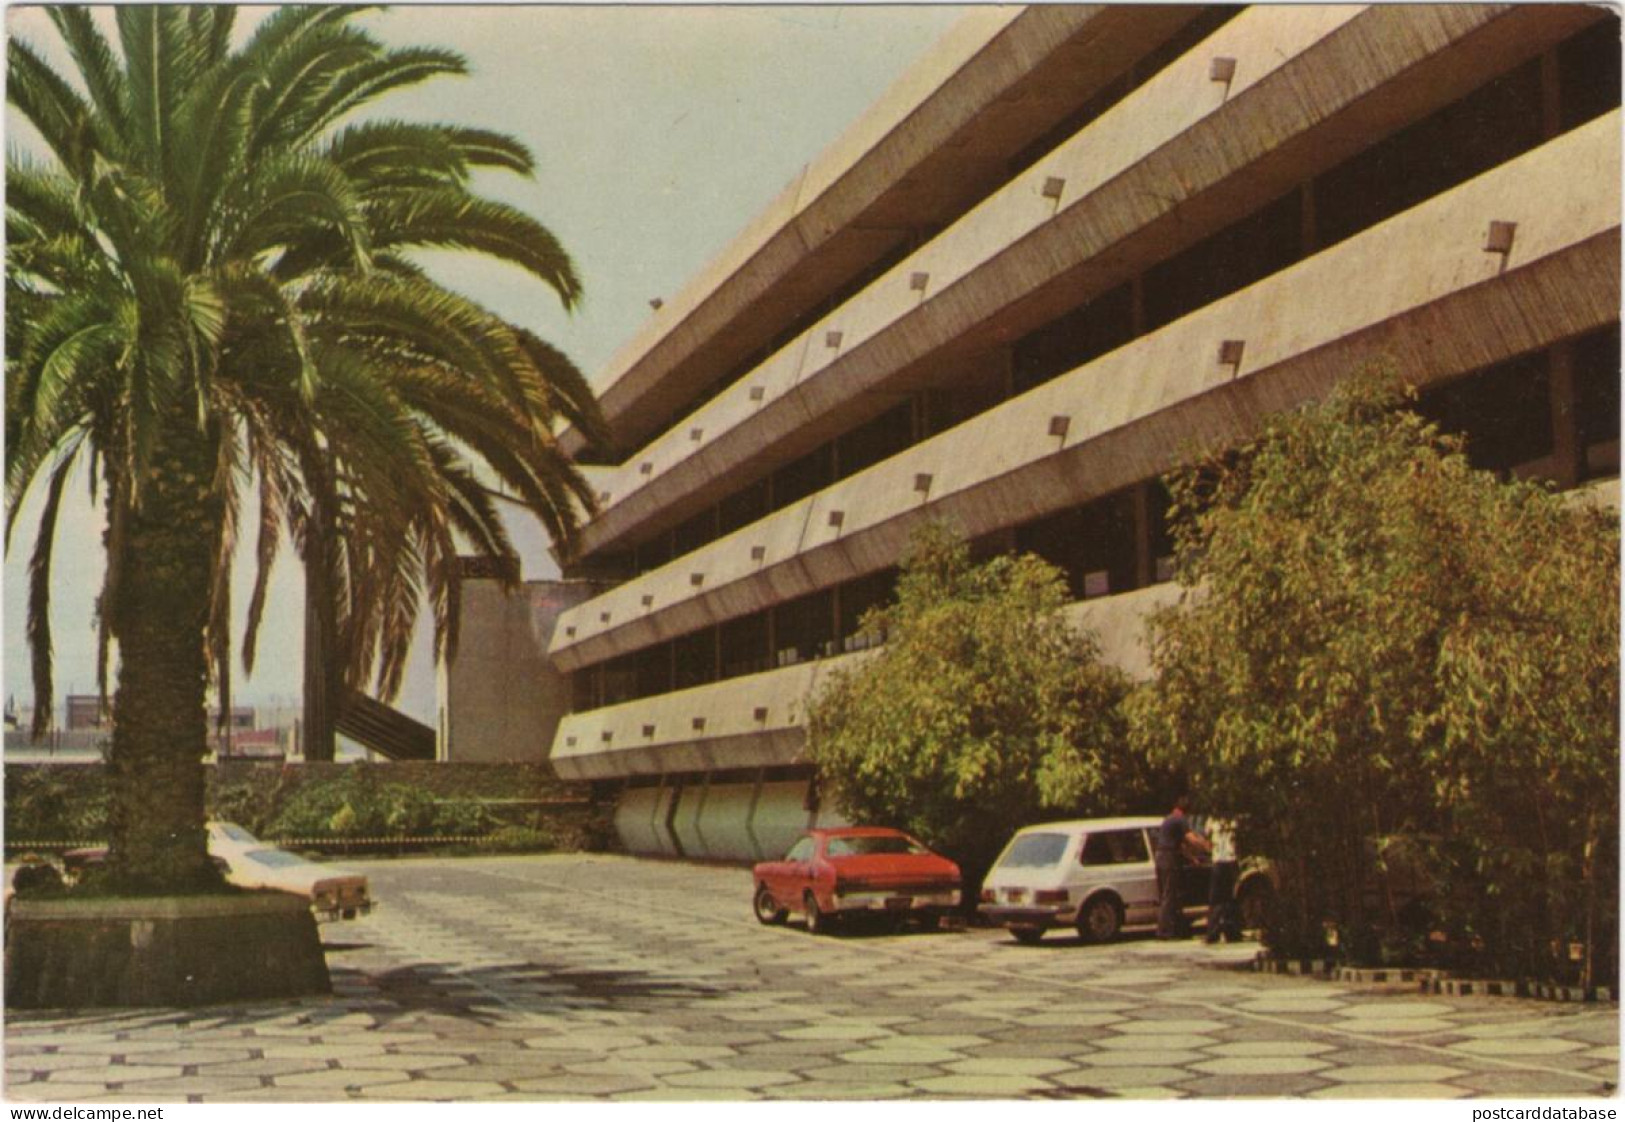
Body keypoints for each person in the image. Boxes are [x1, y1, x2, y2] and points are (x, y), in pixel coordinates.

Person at [1155, 793, 1209, 939]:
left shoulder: (1169, 818)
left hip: (1161, 856)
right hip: (1169, 858)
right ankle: (1164, 931)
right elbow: (1190, 839)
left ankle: (1175, 928)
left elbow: (1180, 845)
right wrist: (1205, 846)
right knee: (1169, 894)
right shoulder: (1180, 819)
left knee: (1169, 894)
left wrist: (1191, 859)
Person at [1204, 817, 1241, 943]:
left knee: (1217, 899)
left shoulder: (1212, 821)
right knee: (1230, 898)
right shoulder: (1234, 820)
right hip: (1230, 860)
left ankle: (1214, 932)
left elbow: (1207, 840)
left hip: (1219, 860)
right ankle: (1232, 931)